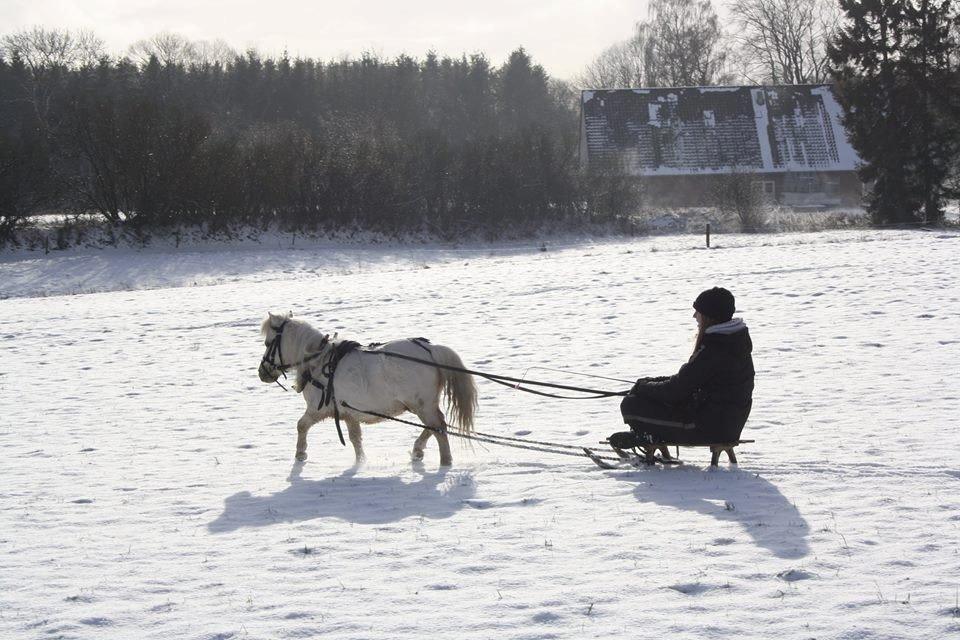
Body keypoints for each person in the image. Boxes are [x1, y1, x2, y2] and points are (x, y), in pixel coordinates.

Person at [610, 287, 754, 453]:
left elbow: (675, 390)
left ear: (709, 316)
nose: (695, 316)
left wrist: (642, 387)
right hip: (726, 423)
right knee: (644, 399)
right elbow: (686, 381)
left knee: (631, 405)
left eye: (698, 312)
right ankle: (651, 433)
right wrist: (648, 383)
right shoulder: (732, 341)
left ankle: (650, 436)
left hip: (709, 427)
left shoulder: (715, 349)